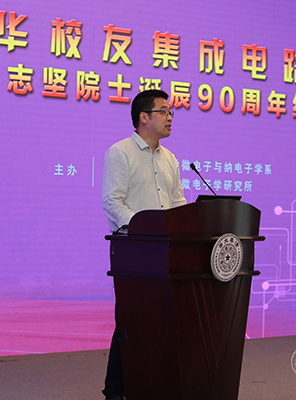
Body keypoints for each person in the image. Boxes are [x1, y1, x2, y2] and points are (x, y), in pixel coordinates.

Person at [101, 89, 187, 400]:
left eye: (171, 112)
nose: (170, 117)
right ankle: (115, 392)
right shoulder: (121, 152)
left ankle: (151, 385)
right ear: (144, 117)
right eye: (164, 111)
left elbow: (178, 202)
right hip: (133, 250)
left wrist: (185, 228)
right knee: (131, 320)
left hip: (165, 251)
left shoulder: (170, 158)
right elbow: (112, 201)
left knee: (161, 320)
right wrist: (145, 230)